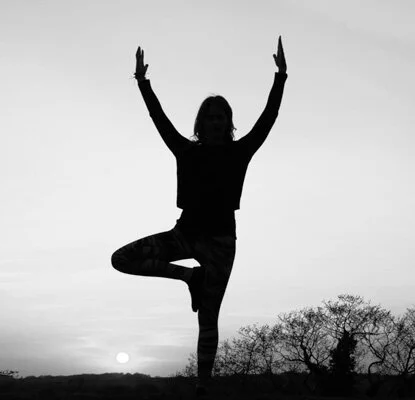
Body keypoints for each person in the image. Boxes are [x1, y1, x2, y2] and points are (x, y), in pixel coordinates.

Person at [111, 37, 287, 396]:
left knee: (208, 318)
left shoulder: (241, 151)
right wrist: (142, 81)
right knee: (122, 259)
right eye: (210, 117)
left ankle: (203, 385)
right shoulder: (185, 150)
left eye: (221, 117)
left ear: (228, 122)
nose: (215, 122)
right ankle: (190, 277)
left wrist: (280, 76)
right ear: (201, 122)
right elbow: (159, 119)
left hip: (220, 243)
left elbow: (268, 118)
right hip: (185, 235)